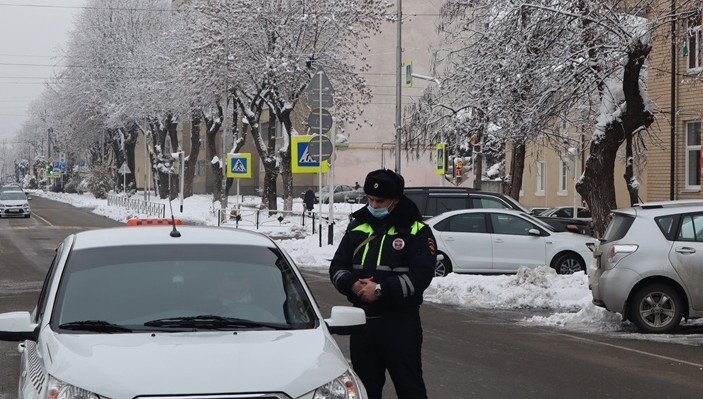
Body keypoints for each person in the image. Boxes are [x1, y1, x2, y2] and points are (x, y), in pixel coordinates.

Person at [329, 169, 436, 399]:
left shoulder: (416, 231)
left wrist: (381, 290)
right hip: (363, 324)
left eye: (380, 200)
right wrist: (353, 285)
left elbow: (421, 276)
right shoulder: (357, 226)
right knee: (365, 391)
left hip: (400, 324)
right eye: (370, 199)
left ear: (395, 200)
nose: (374, 205)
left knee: (410, 388)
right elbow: (337, 268)